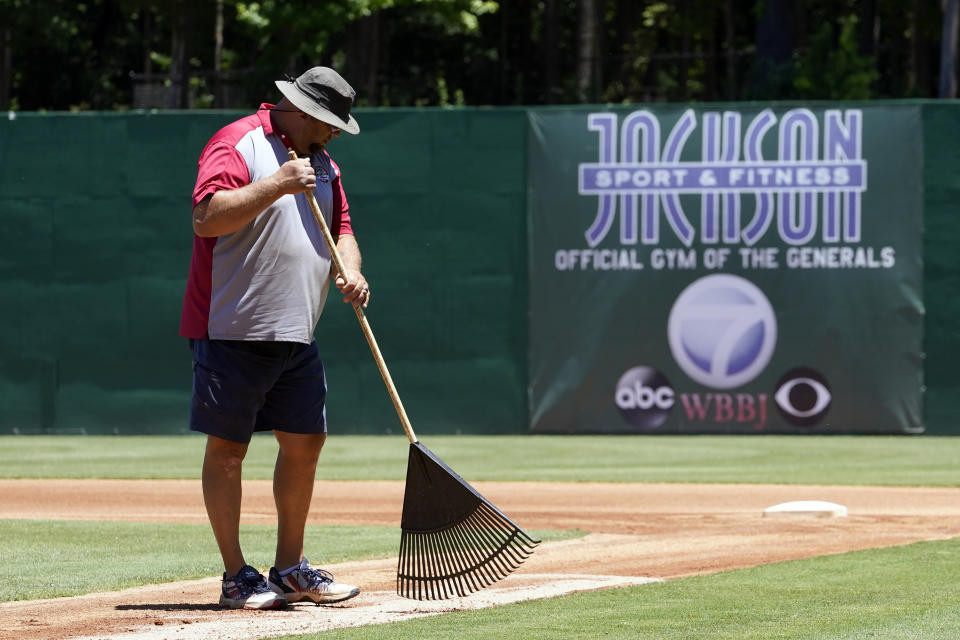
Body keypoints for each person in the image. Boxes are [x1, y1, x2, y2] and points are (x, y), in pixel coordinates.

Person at [179, 67, 368, 610]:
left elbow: (343, 231)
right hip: (232, 326)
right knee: (229, 451)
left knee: (306, 443)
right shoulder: (239, 142)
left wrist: (352, 271)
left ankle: (289, 569)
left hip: (297, 332)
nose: (335, 132)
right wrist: (277, 184)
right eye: (330, 122)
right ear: (305, 111)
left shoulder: (326, 164)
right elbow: (206, 217)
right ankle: (236, 576)